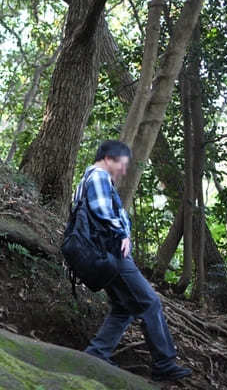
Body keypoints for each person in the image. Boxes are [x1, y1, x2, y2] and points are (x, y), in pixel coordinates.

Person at [75, 140, 191, 382]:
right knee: (149, 302)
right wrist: (122, 233)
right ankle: (164, 363)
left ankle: (96, 354)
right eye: (123, 164)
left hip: (102, 255)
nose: (124, 171)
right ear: (109, 158)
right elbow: (104, 213)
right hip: (111, 253)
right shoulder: (97, 177)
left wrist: (124, 229)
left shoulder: (90, 179)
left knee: (124, 307)